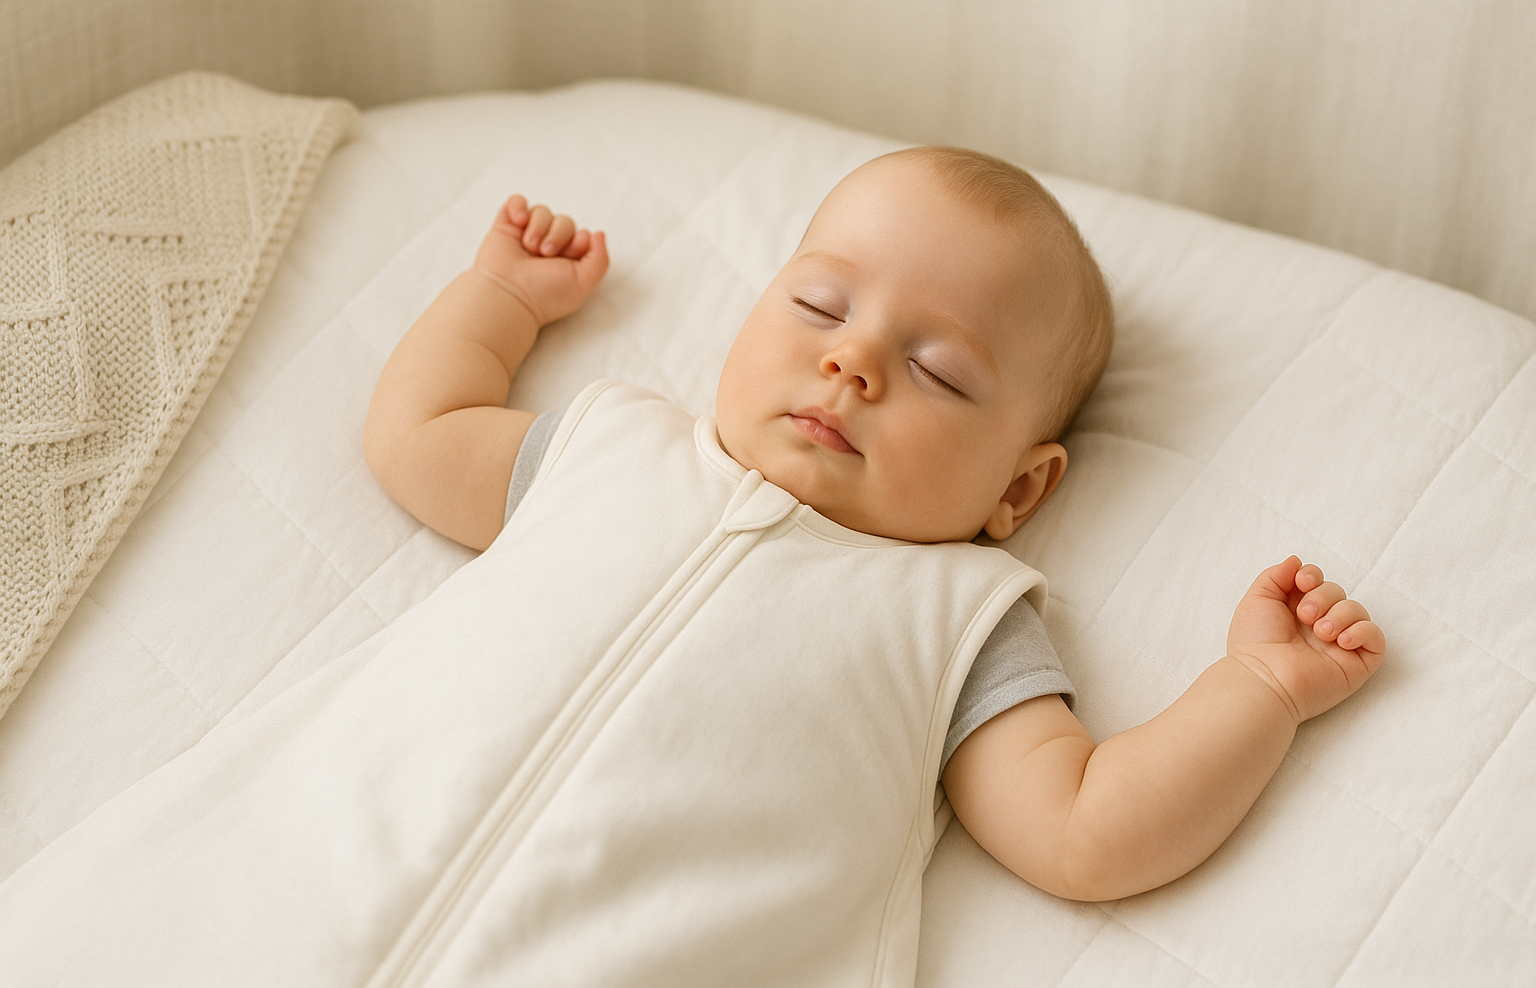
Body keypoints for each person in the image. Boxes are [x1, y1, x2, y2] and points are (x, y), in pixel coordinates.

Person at [364, 146, 1387, 902]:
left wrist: (1257, 690)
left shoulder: (952, 622)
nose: (852, 361)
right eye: (819, 305)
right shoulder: (613, 450)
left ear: (1018, 493)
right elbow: (420, 434)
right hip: (369, 844)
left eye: (938, 372)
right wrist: (498, 295)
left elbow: (1084, 830)